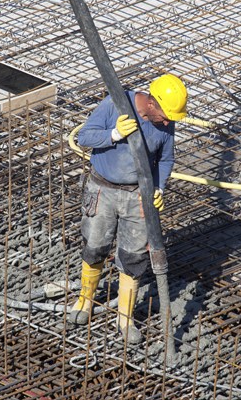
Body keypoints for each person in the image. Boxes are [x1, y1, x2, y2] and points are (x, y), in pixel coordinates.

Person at [69, 74, 188, 344]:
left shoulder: (164, 123)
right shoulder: (116, 104)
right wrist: (113, 134)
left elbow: (166, 159)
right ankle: (84, 302)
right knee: (95, 246)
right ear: (150, 103)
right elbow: (86, 136)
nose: (168, 122)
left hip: (138, 195)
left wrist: (159, 188)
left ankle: (124, 317)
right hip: (103, 189)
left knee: (133, 256)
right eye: (166, 115)